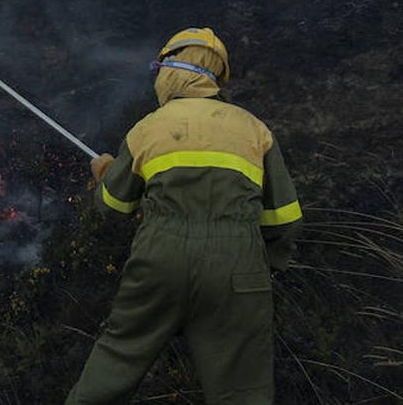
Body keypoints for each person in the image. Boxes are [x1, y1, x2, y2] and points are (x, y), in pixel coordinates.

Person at [66, 27, 303, 404]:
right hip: (238, 267)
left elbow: (114, 206)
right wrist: (264, 266)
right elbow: (285, 218)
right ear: (216, 77)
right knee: (243, 390)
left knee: (115, 363)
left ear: (168, 70)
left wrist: (104, 173)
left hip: (160, 258)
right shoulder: (253, 129)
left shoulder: (148, 128)